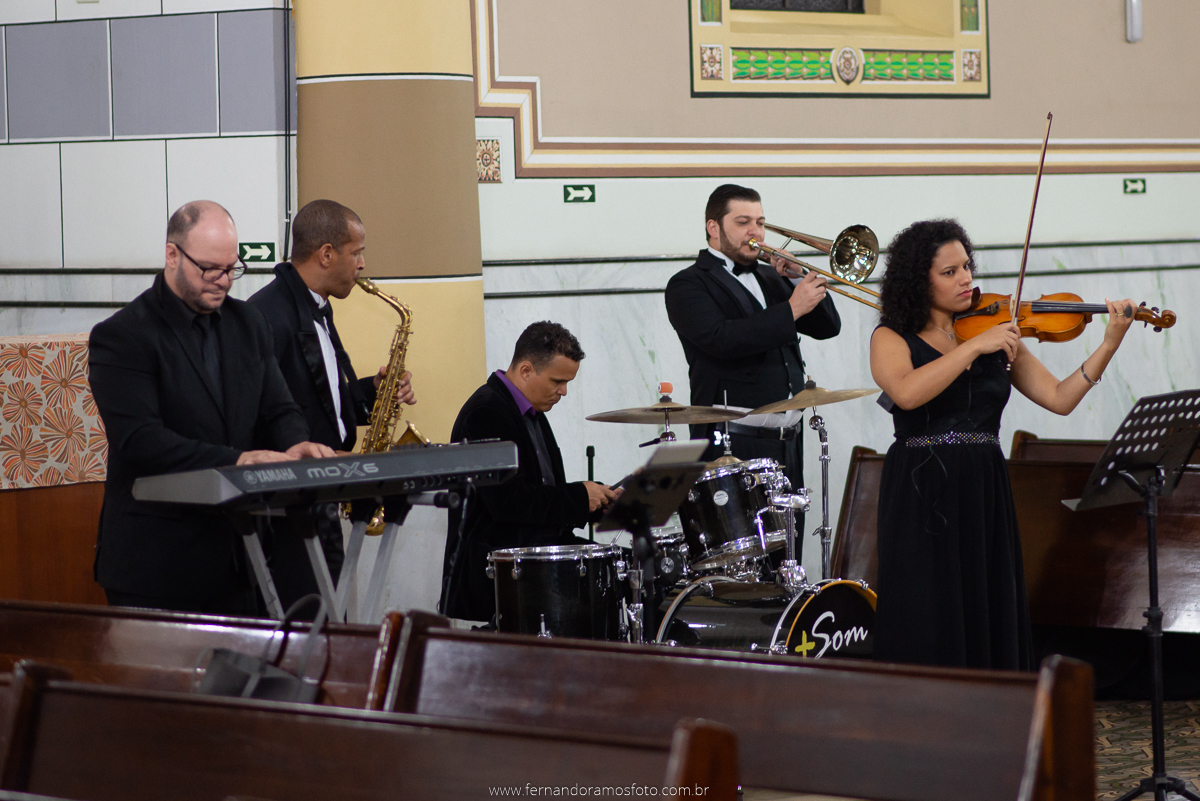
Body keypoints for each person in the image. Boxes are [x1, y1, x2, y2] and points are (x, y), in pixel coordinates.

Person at [869, 218, 1135, 670]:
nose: (966, 278)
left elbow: (1059, 398)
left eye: (967, 266)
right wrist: (972, 348)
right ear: (919, 279)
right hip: (922, 488)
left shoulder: (996, 328)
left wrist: (1109, 342)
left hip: (983, 482)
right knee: (928, 607)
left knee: (985, 598)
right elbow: (907, 392)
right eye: (949, 272)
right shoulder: (891, 337)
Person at [89, 200, 335, 616]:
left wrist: (296, 447)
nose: (223, 281)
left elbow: (279, 407)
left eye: (231, 269)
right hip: (158, 565)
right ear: (172, 255)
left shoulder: (249, 324)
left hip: (243, 560)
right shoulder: (123, 336)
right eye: (210, 269)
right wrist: (238, 459)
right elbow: (141, 440)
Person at [248, 199, 415, 608]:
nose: (361, 265)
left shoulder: (315, 308)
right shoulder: (267, 316)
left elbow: (318, 398)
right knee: (307, 621)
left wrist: (375, 389)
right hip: (289, 508)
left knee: (330, 618)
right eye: (356, 253)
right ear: (326, 254)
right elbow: (268, 412)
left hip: (319, 494)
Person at [664, 184, 841, 491]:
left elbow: (828, 327)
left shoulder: (772, 275)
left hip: (787, 442)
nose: (755, 232)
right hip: (731, 444)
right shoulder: (687, 284)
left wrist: (799, 274)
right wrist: (791, 309)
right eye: (742, 222)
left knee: (790, 537)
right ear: (713, 227)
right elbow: (723, 340)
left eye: (760, 223)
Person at [440, 321, 619, 622]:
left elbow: (544, 492)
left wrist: (601, 499)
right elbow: (510, 502)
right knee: (616, 578)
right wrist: (579, 498)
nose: (563, 392)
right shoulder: (485, 413)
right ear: (526, 371)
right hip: (500, 568)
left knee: (628, 568)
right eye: (557, 381)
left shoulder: (530, 410)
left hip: (535, 556)